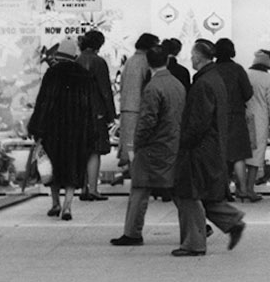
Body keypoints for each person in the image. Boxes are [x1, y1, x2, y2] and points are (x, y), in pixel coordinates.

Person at [171, 40, 246, 257]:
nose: (191, 59)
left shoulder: (203, 83)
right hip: (213, 145)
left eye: (193, 55)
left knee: (187, 193)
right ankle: (232, 221)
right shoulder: (214, 79)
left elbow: (198, 120)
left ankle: (194, 243)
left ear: (200, 57)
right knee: (204, 193)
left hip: (200, 147)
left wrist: (185, 142)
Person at [110, 40, 184, 247]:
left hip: (153, 146)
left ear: (148, 64)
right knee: (175, 188)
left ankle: (132, 232)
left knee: (140, 188)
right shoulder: (176, 84)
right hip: (171, 142)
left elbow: (147, 121)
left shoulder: (153, 87)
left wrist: (136, 143)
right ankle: (197, 224)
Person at [27, 37, 103, 221]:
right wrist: (92, 130)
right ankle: (68, 207)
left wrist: (36, 127)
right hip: (76, 130)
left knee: (53, 166)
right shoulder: (83, 75)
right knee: (73, 166)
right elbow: (90, 107)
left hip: (54, 129)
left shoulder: (52, 73)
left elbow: (43, 102)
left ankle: (55, 204)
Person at [212, 38, 257, 202]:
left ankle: (224, 190)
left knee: (221, 154)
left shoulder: (213, 70)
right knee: (238, 155)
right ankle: (243, 189)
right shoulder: (237, 69)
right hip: (237, 115)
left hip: (217, 117)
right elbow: (248, 93)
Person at [76, 29, 117, 201]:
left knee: (83, 150)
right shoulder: (99, 62)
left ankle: (83, 187)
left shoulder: (77, 61)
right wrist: (111, 113)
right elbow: (105, 90)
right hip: (96, 111)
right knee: (94, 151)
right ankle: (93, 188)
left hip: (78, 111)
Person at [117, 32, 156, 175]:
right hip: (139, 109)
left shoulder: (130, 60)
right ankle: (138, 179)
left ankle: (133, 175)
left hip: (126, 107)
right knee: (137, 148)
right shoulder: (146, 62)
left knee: (129, 146)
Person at [246, 49, 270, 188]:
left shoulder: (246, 75)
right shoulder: (268, 79)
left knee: (242, 154)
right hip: (260, 120)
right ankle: (250, 187)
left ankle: (240, 186)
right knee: (257, 155)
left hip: (244, 117)